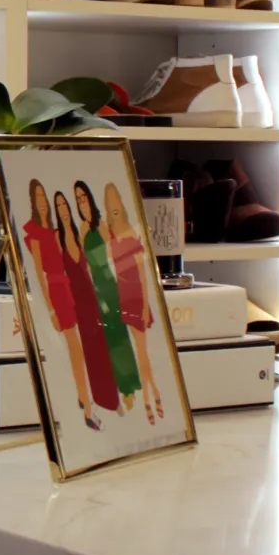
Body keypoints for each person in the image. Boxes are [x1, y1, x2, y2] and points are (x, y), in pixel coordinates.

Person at [22, 180, 98, 428]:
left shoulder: (56, 232)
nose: (43, 203)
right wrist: (52, 308)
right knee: (75, 348)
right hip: (56, 292)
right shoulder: (34, 233)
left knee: (84, 346)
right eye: (39, 198)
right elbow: (40, 275)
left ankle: (82, 395)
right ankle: (87, 408)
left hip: (70, 288)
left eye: (44, 197)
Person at [75, 181, 148, 423]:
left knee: (118, 336)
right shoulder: (83, 229)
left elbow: (112, 254)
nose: (81, 202)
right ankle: (114, 391)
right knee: (103, 339)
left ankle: (128, 387)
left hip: (107, 284)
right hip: (92, 286)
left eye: (84, 196)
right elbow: (82, 262)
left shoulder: (101, 226)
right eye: (78, 198)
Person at [54, 192, 118, 423]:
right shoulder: (56, 237)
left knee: (97, 345)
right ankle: (86, 405)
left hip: (88, 295)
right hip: (70, 298)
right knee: (77, 350)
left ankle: (106, 399)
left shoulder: (79, 233)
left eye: (64, 204)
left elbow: (92, 264)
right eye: (58, 205)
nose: (62, 209)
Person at [103, 182, 164, 421]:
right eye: (110, 208)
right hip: (122, 298)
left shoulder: (131, 233)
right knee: (135, 353)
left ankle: (152, 398)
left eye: (116, 207)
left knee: (142, 353)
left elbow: (142, 274)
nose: (113, 211)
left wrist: (145, 306)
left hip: (135, 298)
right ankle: (149, 398)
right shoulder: (111, 233)